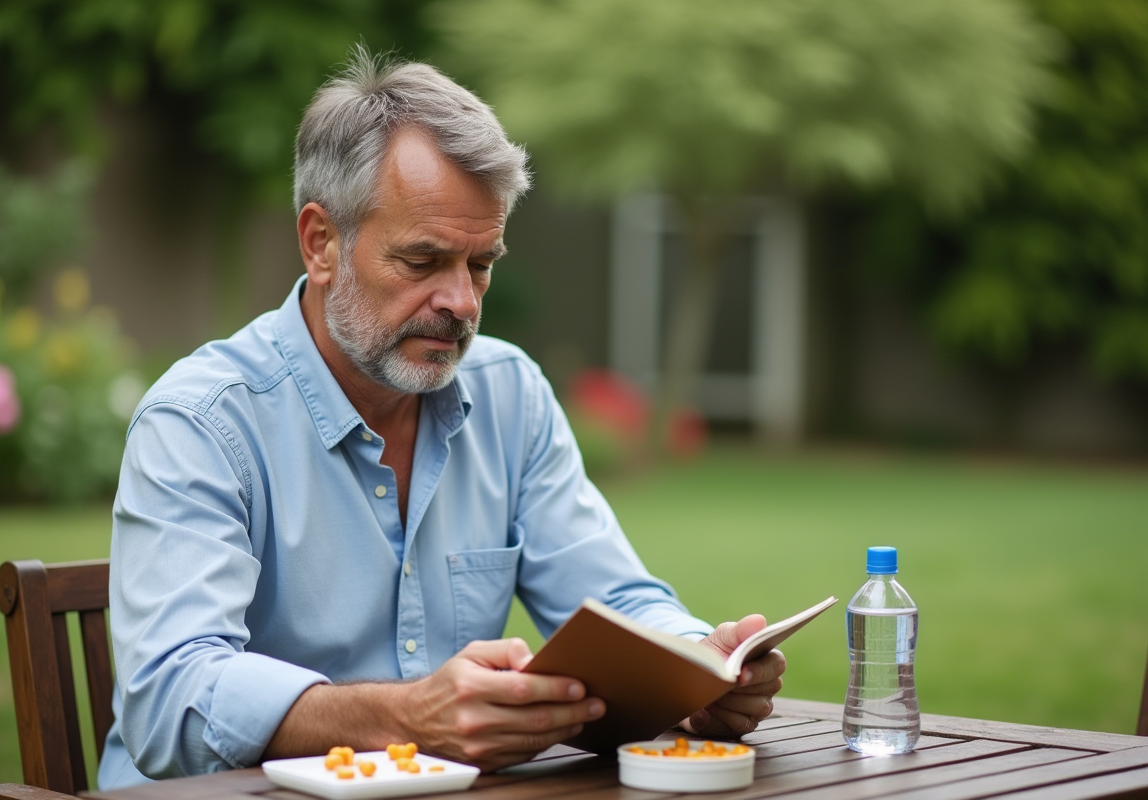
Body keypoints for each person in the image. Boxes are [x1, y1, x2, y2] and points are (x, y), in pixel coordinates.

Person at [97, 51, 785, 790]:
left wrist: (699, 666)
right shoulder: (202, 422)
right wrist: (407, 716)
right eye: (424, 261)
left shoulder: (508, 393)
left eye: (481, 263)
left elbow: (614, 600)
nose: (461, 300)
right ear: (321, 242)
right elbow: (170, 702)